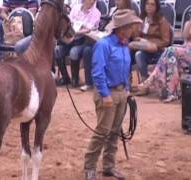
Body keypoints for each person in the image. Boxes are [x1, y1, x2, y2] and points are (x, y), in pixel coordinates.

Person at [84, 9, 142, 180]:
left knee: (115, 131)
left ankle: (109, 166)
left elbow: (125, 70)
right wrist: (105, 93)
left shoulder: (124, 45)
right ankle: (89, 167)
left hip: (121, 92)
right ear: (122, 28)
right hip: (107, 93)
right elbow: (98, 71)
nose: (134, 29)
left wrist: (127, 90)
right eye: (131, 26)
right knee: (102, 131)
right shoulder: (104, 45)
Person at [137, 0, 191, 102]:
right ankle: (171, 93)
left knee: (171, 49)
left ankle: (151, 80)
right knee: (172, 58)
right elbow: (185, 36)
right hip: (184, 50)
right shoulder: (189, 22)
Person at [80, 0, 132, 92]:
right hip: (106, 38)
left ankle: (125, 84)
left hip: (121, 41)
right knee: (87, 50)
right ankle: (89, 83)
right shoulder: (112, 9)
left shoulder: (130, 13)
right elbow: (106, 24)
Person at [55, 0, 101, 87]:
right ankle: (65, 77)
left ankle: (75, 78)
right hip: (69, 38)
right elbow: (69, 22)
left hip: (83, 41)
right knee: (57, 50)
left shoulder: (96, 13)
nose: (93, 1)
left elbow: (88, 29)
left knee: (74, 52)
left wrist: (76, 31)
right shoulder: (75, 8)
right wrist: (75, 29)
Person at [131, 0, 171, 82]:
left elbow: (166, 41)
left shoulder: (162, 21)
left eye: (152, 4)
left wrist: (150, 43)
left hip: (157, 51)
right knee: (127, 51)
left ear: (156, 7)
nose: (149, 6)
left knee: (139, 55)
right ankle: (126, 79)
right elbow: (136, 37)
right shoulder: (142, 18)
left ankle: (144, 81)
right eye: (147, 4)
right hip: (142, 48)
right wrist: (135, 27)